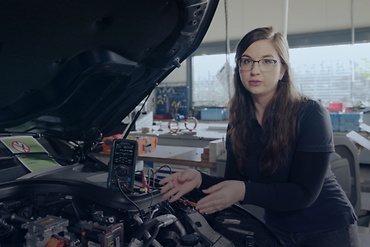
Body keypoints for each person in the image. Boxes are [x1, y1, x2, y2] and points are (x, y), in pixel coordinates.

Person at [160, 26, 359, 247]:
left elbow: (304, 193)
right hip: (277, 230)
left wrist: (242, 190)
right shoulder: (238, 123)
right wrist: (199, 179)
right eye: (247, 61)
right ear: (239, 69)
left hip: (327, 228)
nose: (255, 70)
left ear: (282, 70)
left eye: (266, 61)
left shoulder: (310, 113)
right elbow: (234, 183)